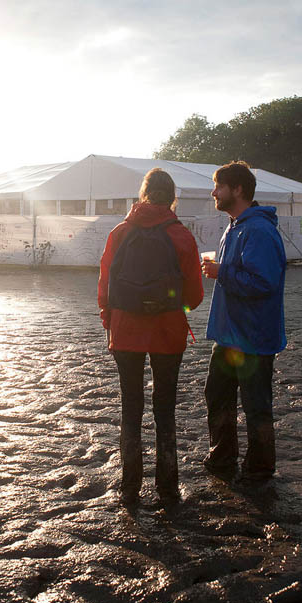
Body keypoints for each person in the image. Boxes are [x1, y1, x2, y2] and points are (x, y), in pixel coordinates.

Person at [98, 168, 204, 506]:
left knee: (131, 408)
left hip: (126, 331)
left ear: (143, 194)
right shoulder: (182, 236)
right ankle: (168, 487)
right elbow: (195, 296)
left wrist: (110, 319)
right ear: (172, 197)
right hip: (168, 332)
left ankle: (129, 486)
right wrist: (176, 309)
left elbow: (104, 286)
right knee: (165, 409)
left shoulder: (119, 232)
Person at [201, 161, 286, 481]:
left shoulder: (258, 229)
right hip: (230, 333)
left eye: (218, 186)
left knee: (256, 404)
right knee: (217, 392)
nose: (214, 192)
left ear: (237, 190)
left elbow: (264, 282)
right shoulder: (235, 225)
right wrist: (222, 270)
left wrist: (222, 271)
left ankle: (260, 468)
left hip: (253, 335)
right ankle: (223, 456)